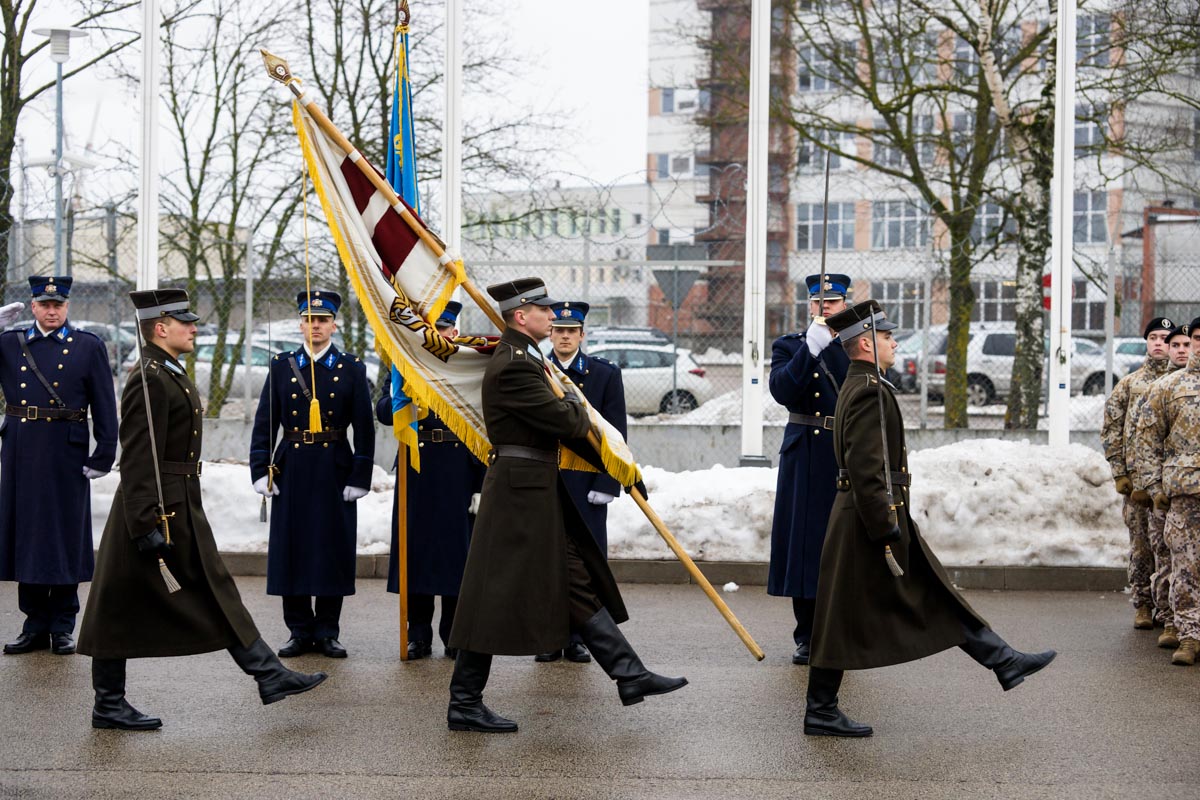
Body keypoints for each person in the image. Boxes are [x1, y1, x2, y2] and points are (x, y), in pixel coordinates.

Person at [77, 289, 326, 730]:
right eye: (186, 323)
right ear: (160, 328)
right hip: (156, 506)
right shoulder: (149, 375)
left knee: (205, 586)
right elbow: (137, 454)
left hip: (176, 499)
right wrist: (142, 519)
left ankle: (267, 675)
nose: (195, 328)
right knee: (120, 599)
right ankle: (110, 703)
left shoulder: (167, 368)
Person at [445, 277, 686, 733]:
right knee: (490, 594)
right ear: (522, 315)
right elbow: (567, 420)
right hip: (517, 493)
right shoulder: (515, 365)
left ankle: (629, 674)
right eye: (544, 310)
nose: (553, 317)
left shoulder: (528, 359)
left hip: (533, 487)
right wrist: (575, 399)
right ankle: (464, 701)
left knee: (573, 579)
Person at [805, 300, 1056, 737]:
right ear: (865, 342)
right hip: (871, 519)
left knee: (926, 595)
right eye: (886, 336)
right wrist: (885, 526)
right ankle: (820, 710)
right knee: (847, 613)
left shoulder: (860, 383)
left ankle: (1003, 659)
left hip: (867, 515)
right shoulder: (869, 391)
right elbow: (867, 470)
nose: (893, 341)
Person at [250, 290, 375, 659]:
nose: (315, 326)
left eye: (322, 320)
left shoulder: (352, 368)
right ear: (300, 324)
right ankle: (299, 630)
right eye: (309, 320)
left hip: (334, 468)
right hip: (293, 468)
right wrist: (260, 469)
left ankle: (328, 630)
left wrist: (360, 475)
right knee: (294, 549)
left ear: (333, 324)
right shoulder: (282, 365)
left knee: (331, 549)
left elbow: (365, 429)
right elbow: (265, 423)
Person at [0, 277, 118, 656]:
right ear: (32, 307)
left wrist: (104, 453)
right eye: (45, 305)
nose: (52, 311)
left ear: (67, 308)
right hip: (21, 449)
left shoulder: (87, 346)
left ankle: (63, 624)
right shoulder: (11, 343)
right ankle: (34, 623)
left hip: (66, 452)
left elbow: (104, 403)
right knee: (28, 536)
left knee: (65, 536)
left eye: (59, 305)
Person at [376, 301, 486, 659]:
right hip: (417, 465)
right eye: (433, 329)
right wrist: (399, 392)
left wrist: (482, 483)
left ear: (455, 332)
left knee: (458, 556)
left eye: (445, 329)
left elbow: (486, 426)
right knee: (416, 551)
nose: (439, 335)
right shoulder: (406, 365)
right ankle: (418, 634)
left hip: (459, 468)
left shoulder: (468, 368)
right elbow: (383, 411)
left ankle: (454, 635)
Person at [535, 300, 628, 664]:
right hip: (546, 478)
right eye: (558, 331)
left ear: (582, 335)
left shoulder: (604, 374)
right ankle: (548, 636)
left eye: (571, 332)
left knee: (585, 564)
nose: (564, 338)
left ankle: (578, 637)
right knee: (545, 560)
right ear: (551, 333)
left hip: (585, 482)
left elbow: (616, 432)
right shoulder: (536, 371)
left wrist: (608, 482)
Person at [766, 273, 851, 665]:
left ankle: (842, 629)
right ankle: (807, 634)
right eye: (818, 303)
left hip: (842, 451)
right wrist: (811, 350)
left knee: (841, 543)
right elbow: (783, 391)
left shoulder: (855, 347)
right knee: (804, 545)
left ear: (845, 305)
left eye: (832, 303)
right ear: (809, 306)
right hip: (804, 454)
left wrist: (834, 344)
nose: (824, 308)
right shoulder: (790, 346)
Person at [1130, 319, 1200, 666]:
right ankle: (1187, 635)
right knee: (1183, 567)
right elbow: (1146, 440)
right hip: (1184, 494)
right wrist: (1153, 487)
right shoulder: (1170, 387)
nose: (1197, 346)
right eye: (1196, 339)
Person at [1102, 317, 1174, 630]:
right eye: (1154, 337)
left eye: (1165, 338)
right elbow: (1111, 428)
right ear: (1146, 342)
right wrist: (1120, 473)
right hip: (1136, 484)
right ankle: (1143, 603)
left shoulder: (1180, 384)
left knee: (1171, 548)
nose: (1159, 343)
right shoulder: (1131, 384)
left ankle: (1171, 607)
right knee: (1141, 546)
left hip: (1170, 482)